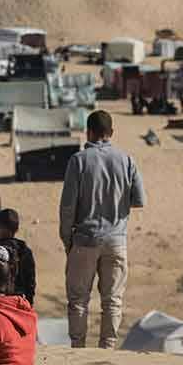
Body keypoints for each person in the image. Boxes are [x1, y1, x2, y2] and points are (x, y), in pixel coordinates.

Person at [59, 110, 146, 349]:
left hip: (85, 239)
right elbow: (140, 200)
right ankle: (108, 348)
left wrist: (67, 240)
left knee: (78, 299)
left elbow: (68, 207)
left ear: (88, 131)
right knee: (113, 300)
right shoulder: (126, 159)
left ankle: (78, 348)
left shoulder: (78, 160)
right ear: (111, 133)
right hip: (116, 240)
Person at [0, 209, 36, 305]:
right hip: (19, 300)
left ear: (0, 227)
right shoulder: (25, 250)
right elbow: (30, 280)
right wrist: (29, 302)